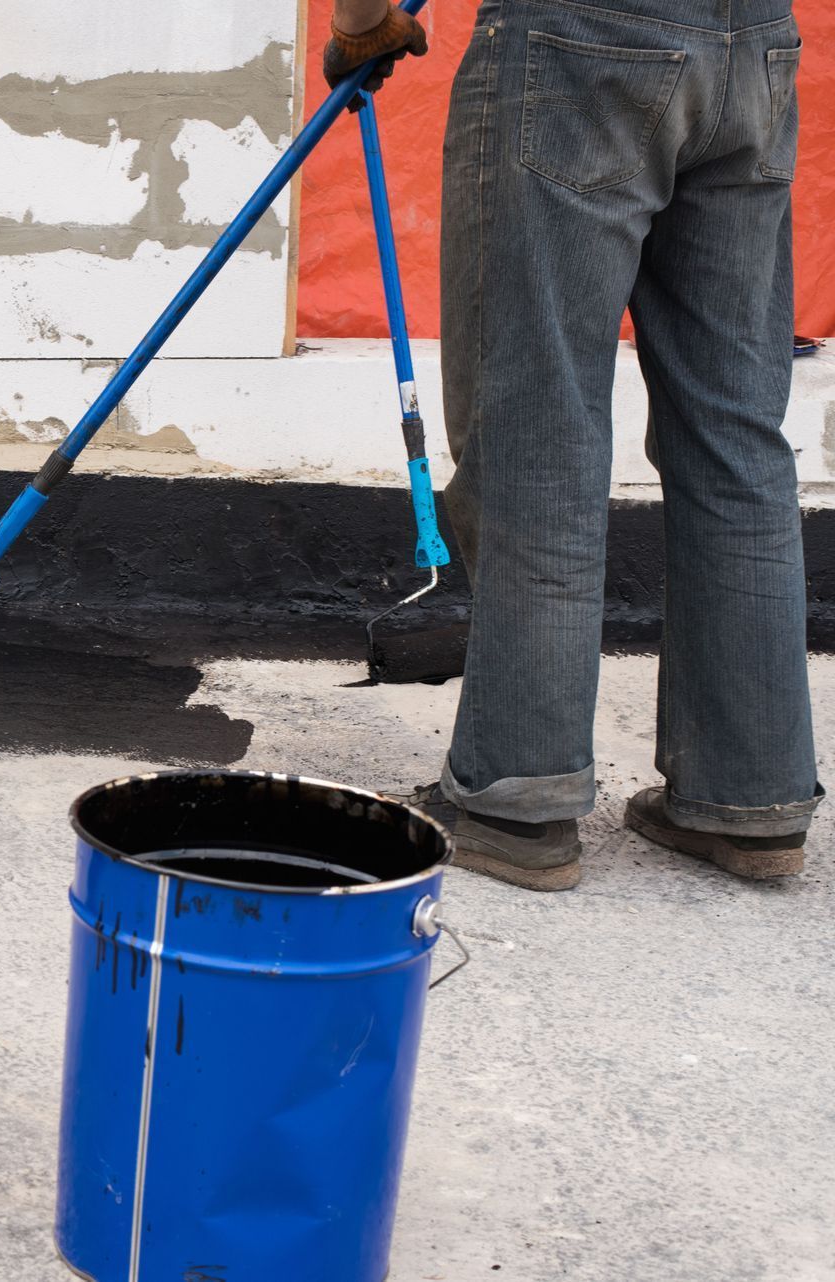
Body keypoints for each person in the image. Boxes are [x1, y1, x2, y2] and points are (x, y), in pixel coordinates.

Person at [325, 0, 818, 889]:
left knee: (536, 422)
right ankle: (750, 801)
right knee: (735, 431)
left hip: (579, 43)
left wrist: (362, 20)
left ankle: (516, 799)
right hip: (753, 48)